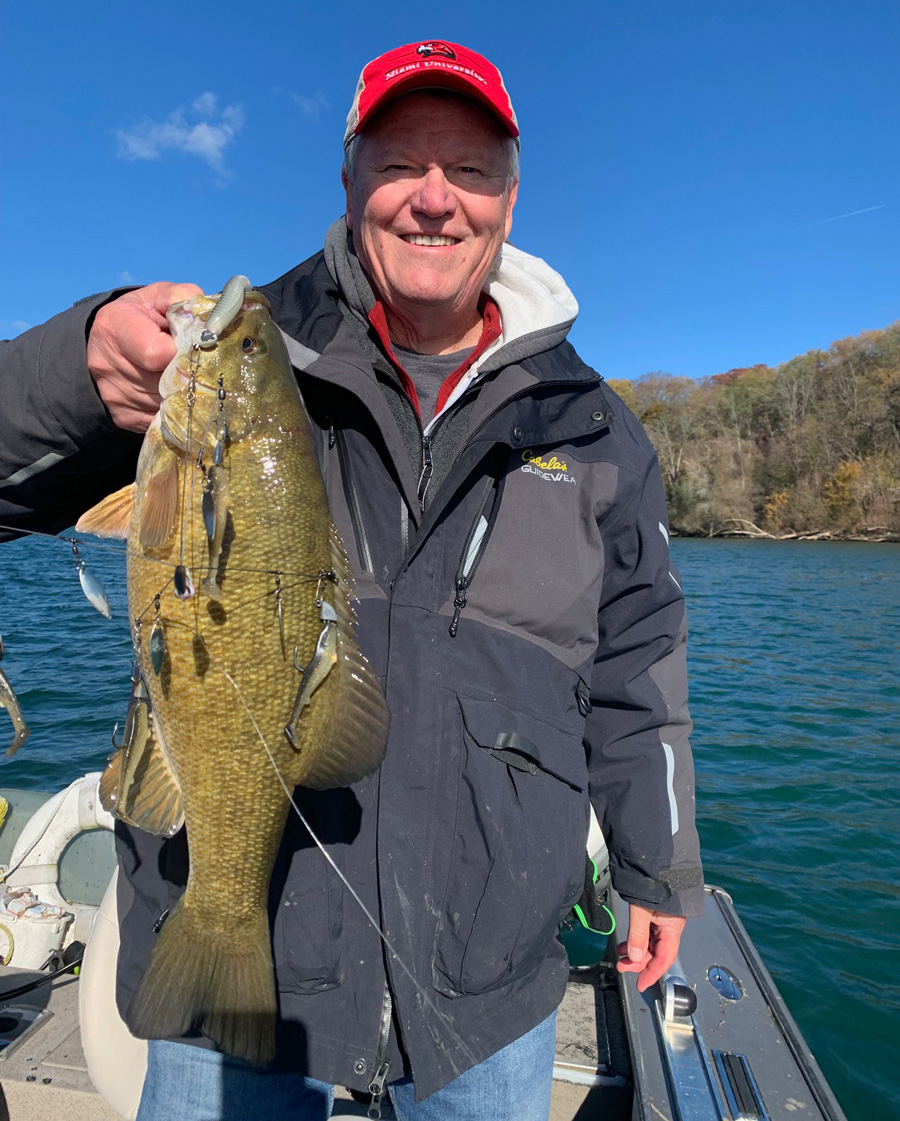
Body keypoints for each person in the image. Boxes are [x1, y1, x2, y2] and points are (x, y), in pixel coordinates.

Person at [0, 40, 703, 1121]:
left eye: (468, 169)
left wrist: (659, 869)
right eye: (398, 164)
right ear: (348, 182)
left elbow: (641, 662)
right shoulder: (231, 360)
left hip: (487, 992)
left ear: (510, 196)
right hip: (238, 970)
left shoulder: (597, 430)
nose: (434, 199)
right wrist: (80, 359)